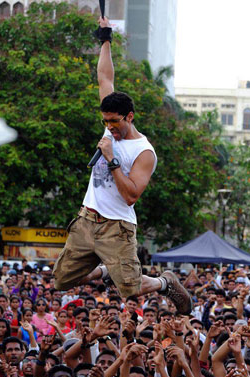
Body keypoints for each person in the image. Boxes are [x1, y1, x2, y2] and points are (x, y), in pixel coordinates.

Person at [52, 15, 192, 316]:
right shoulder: (110, 125)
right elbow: (105, 77)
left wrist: (112, 160)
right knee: (61, 281)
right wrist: (105, 39)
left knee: (130, 289)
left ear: (129, 117)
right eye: (105, 122)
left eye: (114, 122)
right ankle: (107, 270)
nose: (109, 127)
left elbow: (131, 196)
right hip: (87, 220)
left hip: (117, 227)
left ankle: (165, 283)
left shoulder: (144, 152)